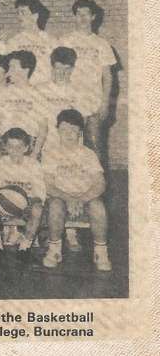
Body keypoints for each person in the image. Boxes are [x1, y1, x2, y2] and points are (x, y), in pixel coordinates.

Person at [41, 109, 111, 271]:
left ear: (80, 132)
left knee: (98, 207)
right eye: (64, 129)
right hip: (61, 197)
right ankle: (54, 250)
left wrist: (82, 198)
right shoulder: (50, 153)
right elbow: (48, 185)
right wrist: (69, 198)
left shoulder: (88, 154)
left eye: (73, 129)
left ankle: (101, 251)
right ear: (57, 130)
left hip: (85, 198)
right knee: (56, 206)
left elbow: (100, 183)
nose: (69, 133)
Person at [61, 0, 117, 164]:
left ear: (93, 17)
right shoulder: (66, 41)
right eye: (79, 14)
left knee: (94, 148)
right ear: (74, 17)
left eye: (86, 14)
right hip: (70, 103)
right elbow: (59, 72)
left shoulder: (102, 44)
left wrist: (105, 103)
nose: (82, 18)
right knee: (69, 148)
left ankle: (98, 189)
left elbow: (108, 77)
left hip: (93, 104)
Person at [0, 127, 46, 251]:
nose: (14, 150)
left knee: (38, 209)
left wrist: (24, 202)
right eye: (10, 146)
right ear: (4, 147)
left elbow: (40, 193)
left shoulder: (33, 164)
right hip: (5, 203)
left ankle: (26, 244)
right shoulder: (0, 163)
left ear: (26, 148)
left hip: (28, 202)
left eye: (19, 147)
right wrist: (6, 203)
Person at [37, 47, 94, 157]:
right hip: (47, 146)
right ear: (52, 68)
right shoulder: (40, 90)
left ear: (73, 69)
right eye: (58, 68)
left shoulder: (81, 91)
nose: (62, 73)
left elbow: (83, 123)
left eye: (67, 69)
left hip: (72, 146)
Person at [0, 50, 48, 158]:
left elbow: (43, 127)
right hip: (5, 145)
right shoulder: (3, 93)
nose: (8, 72)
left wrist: (35, 153)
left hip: (28, 146)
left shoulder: (38, 95)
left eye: (12, 67)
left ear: (25, 70)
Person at [6, 0, 56, 85]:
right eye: (18, 13)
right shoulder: (13, 41)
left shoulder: (50, 40)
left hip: (44, 88)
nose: (19, 16)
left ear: (35, 16)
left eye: (23, 12)